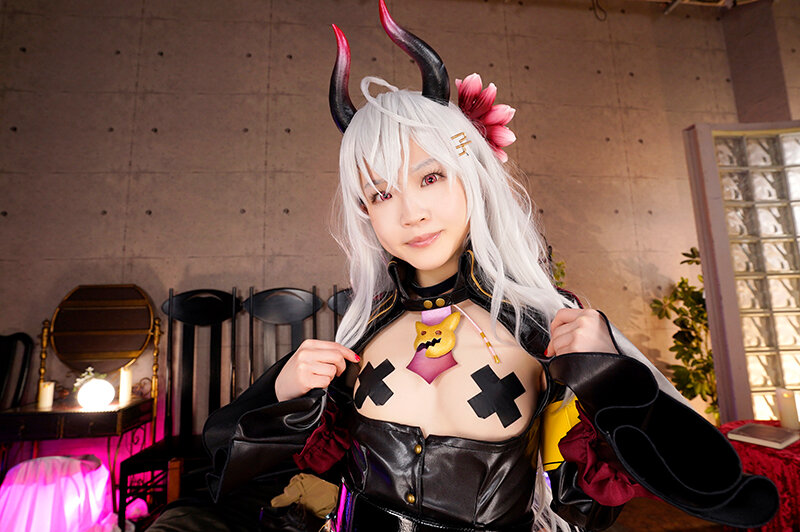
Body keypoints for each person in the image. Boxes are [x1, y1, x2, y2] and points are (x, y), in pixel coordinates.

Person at [154, 2, 779, 531]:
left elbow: (716, 491)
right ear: (366, 214)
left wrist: (607, 372)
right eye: (381, 194)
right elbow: (224, 470)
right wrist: (281, 392)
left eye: (429, 177)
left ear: (471, 177)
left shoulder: (546, 324)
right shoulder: (358, 333)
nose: (411, 213)